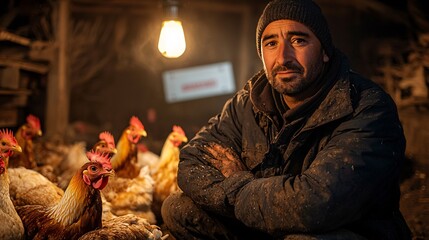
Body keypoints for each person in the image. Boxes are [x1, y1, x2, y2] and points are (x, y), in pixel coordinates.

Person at [161, 0, 412, 239]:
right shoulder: (248, 102)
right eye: (270, 43)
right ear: (261, 54)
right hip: (266, 227)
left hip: (345, 232)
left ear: (325, 51)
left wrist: (239, 184)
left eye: (298, 40)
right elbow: (192, 162)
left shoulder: (365, 106)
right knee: (178, 209)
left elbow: (314, 204)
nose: (283, 58)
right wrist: (254, 198)